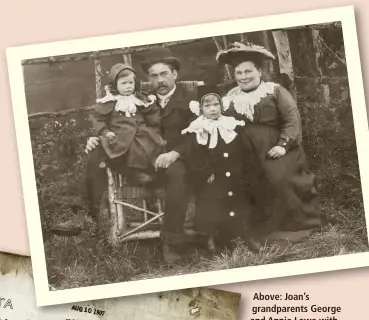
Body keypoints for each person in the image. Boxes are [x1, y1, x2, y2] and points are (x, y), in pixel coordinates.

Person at [84, 46, 197, 264]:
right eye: (153, 76)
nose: (159, 80)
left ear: (175, 74)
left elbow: (198, 134)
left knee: (178, 175)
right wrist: (94, 136)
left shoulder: (190, 99)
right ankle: (82, 210)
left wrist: (175, 153)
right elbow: (112, 120)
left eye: (164, 74)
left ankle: (171, 241)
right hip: (138, 158)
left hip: (173, 158)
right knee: (97, 149)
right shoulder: (140, 98)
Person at [216, 41, 321, 244]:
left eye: (248, 71)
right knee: (241, 181)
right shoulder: (230, 97)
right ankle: (249, 228)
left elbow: (292, 119)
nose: (243, 77)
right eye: (239, 73)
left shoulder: (274, 90)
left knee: (277, 178)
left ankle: (289, 226)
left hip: (276, 147)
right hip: (245, 150)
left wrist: (283, 145)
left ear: (259, 71)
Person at [182, 84, 251, 250]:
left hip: (233, 173)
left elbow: (242, 149)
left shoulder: (231, 124)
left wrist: (241, 168)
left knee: (237, 203)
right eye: (207, 106)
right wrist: (206, 171)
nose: (212, 109)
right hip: (212, 178)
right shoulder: (198, 129)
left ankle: (241, 236)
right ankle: (216, 239)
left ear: (222, 106)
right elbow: (194, 155)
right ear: (200, 109)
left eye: (216, 105)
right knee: (214, 207)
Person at [92, 63, 165, 183]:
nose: (128, 87)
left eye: (131, 83)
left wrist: (154, 126)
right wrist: (106, 132)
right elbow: (98, 119)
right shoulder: (110, 101)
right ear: (115, 85)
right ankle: (134, 174)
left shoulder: (140, 98)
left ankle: (149, 173)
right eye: (124, 83)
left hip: (142, 131)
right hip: (119, 135)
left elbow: (152, 113)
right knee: (122, 151)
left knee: (148, 146)